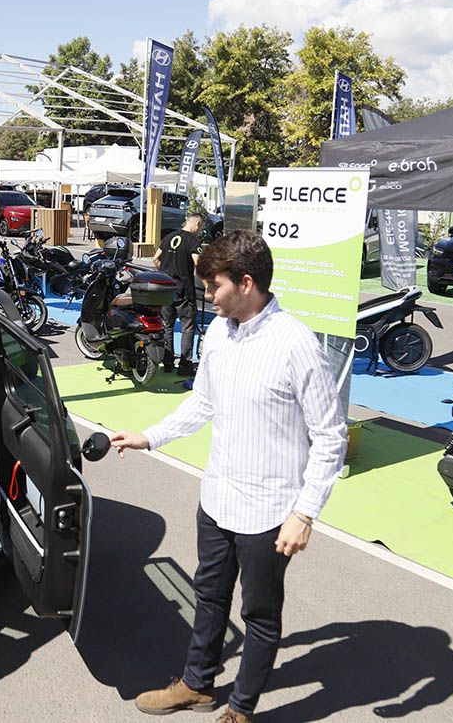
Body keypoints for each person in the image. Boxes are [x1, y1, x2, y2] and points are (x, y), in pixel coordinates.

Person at [112, 230, 346, 723]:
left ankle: (241, 709)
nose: (208, 297)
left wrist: (304, 514)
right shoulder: (220, 331)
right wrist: (149, 436)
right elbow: (203, 402)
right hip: (218, 498)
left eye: (214, 286)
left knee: (259, 615)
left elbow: (330, 437)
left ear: (245, 283)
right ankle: (197, 685)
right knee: (209, 596)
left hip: (270, 511)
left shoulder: (296, 345)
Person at [154, 212, 204, 375]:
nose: (201, 231)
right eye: (201, 227)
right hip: (184, 290)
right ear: (197, 224)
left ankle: (167, 362)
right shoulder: (193, 241)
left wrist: (164, 273)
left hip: (166, 289)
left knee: (167, 325)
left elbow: (155, 258)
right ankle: (184, 364)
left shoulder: (169, 237)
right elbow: (198, 262)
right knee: (187, 327)